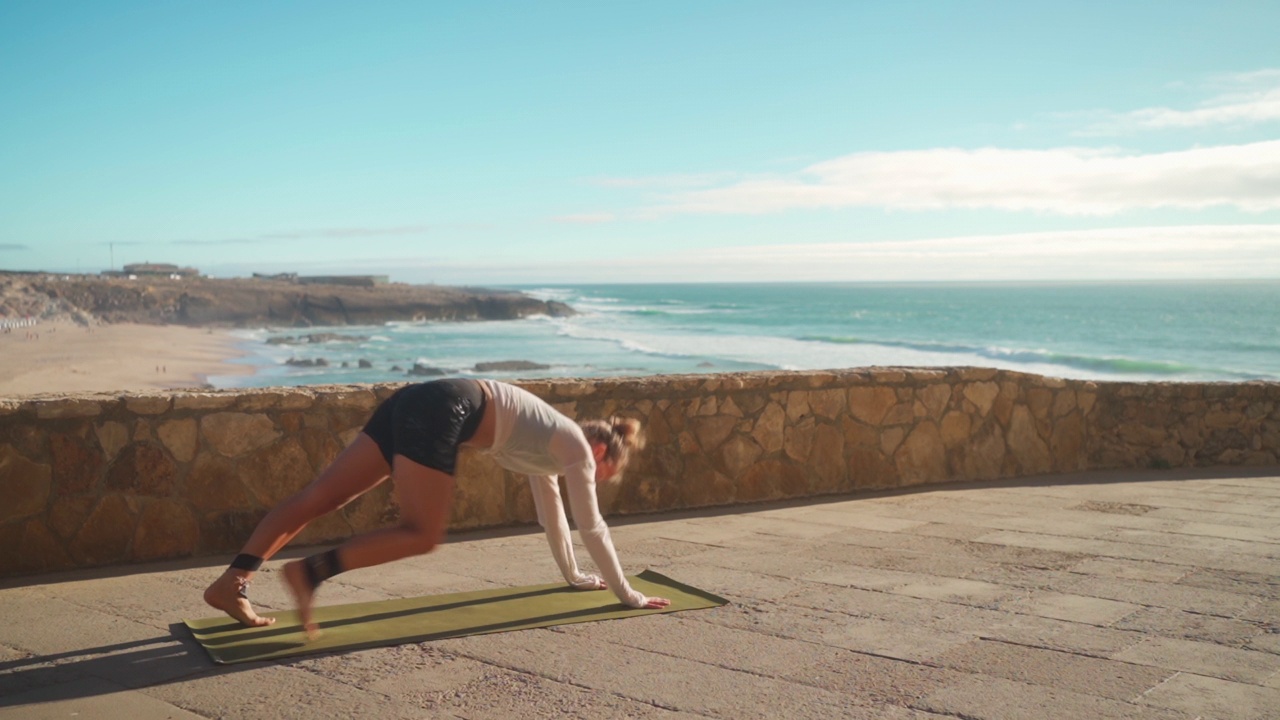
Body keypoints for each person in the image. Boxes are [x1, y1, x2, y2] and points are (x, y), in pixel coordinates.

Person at [203, 378, 669, 637]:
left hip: (415, 398)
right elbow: (591, 526)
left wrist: (575, 577)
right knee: (423, 533)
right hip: (444, 407)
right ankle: (310, 573)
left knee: (323, 496)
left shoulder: (549, 444)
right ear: (602, 455)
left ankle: (232, 582)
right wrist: (629, 594)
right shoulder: (577, 448)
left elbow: (553, 519)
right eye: (601, 476)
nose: (590, 479)